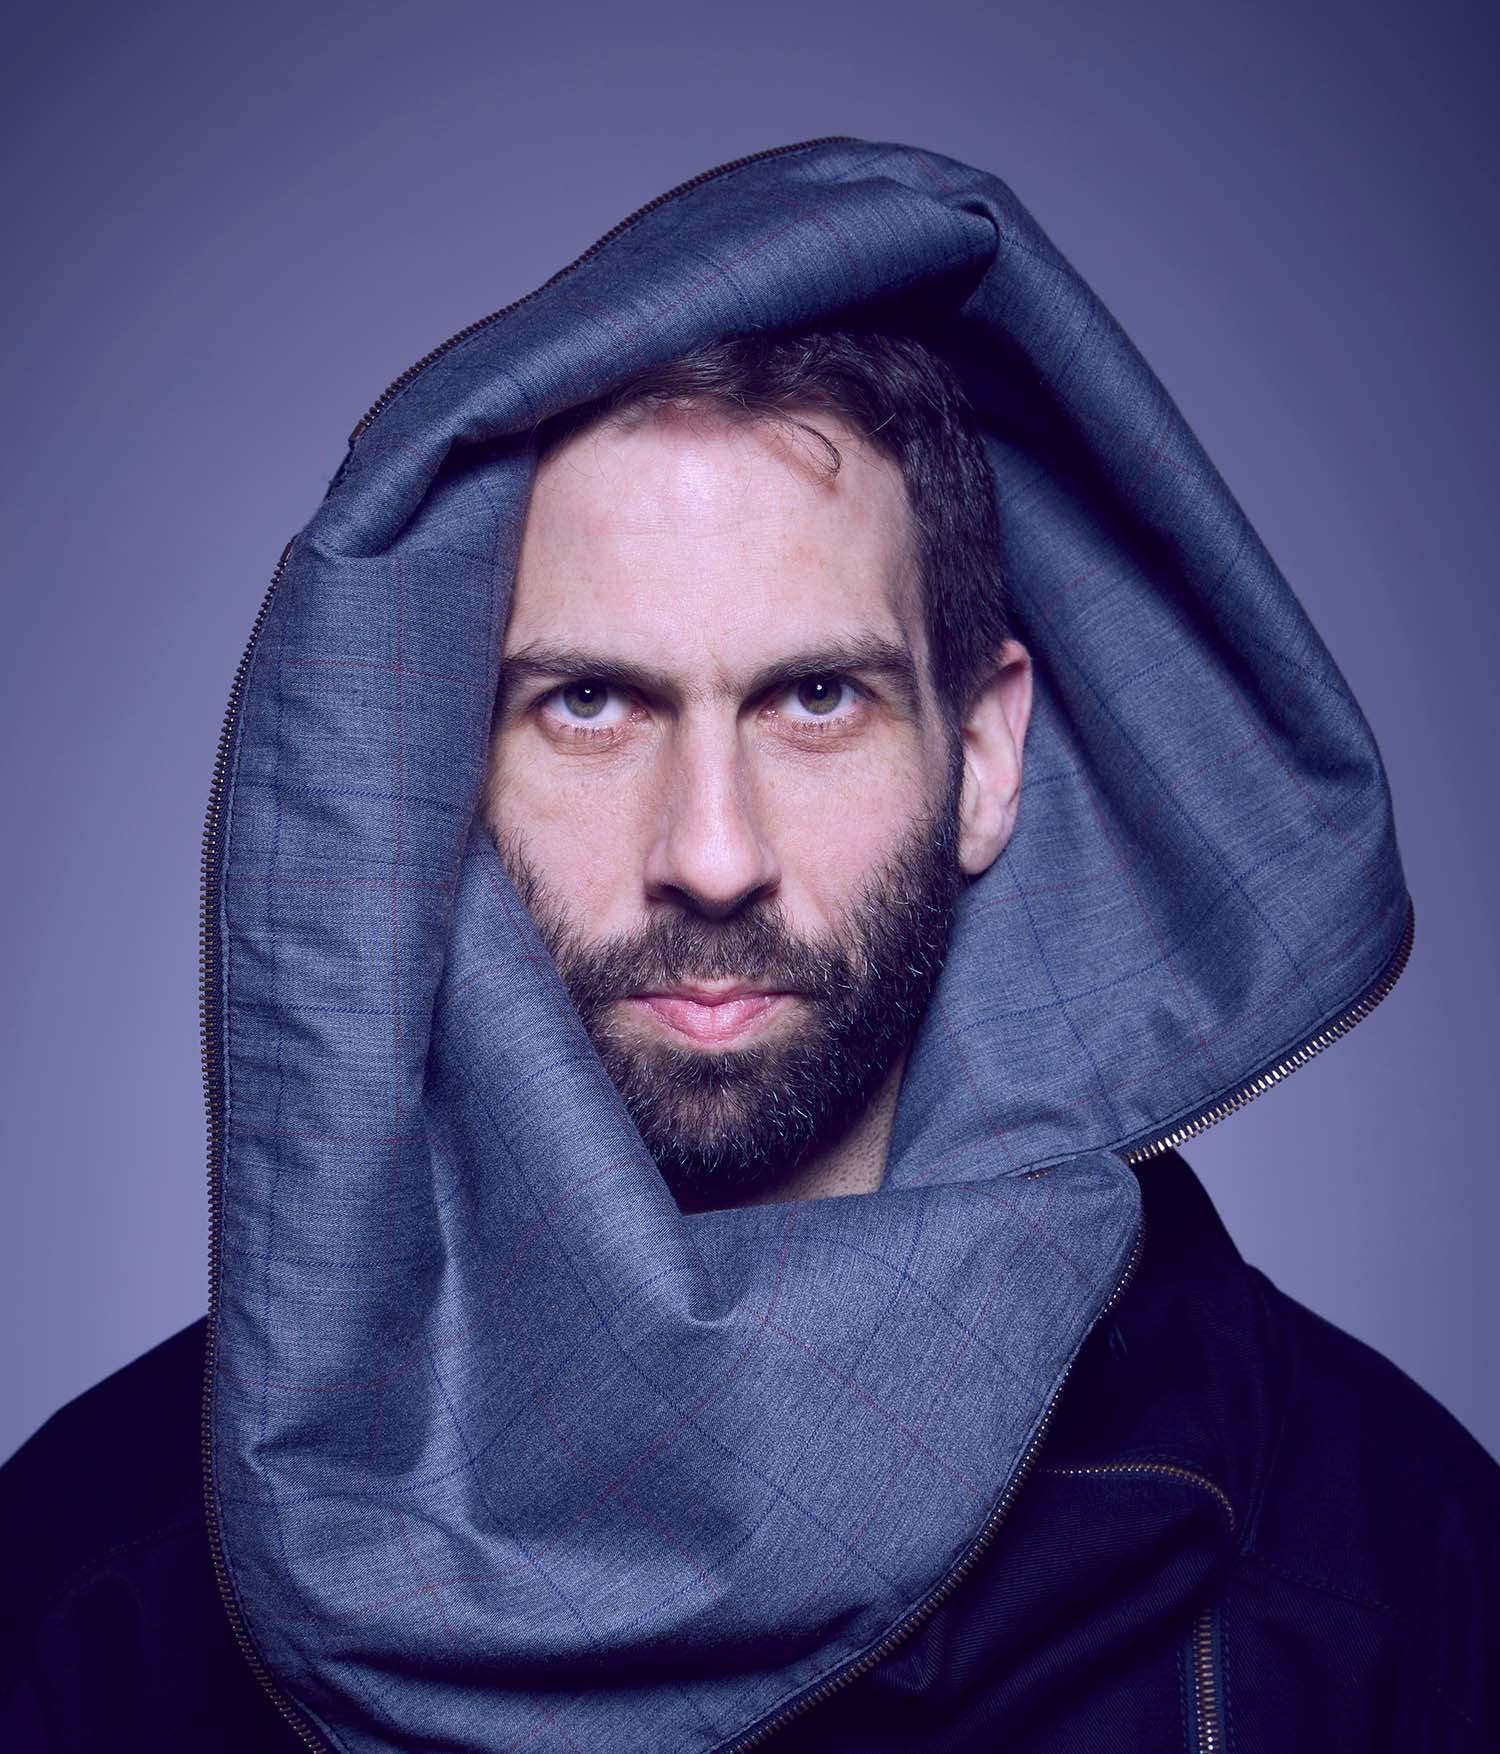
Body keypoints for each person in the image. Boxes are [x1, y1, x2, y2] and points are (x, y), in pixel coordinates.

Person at [3, 136, 1496, 1753]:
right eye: (591, 702)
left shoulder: (1386, 1568)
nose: (711, 856)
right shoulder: (97, 1579)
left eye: (815, 697)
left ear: (985, 754)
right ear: (435, 775)